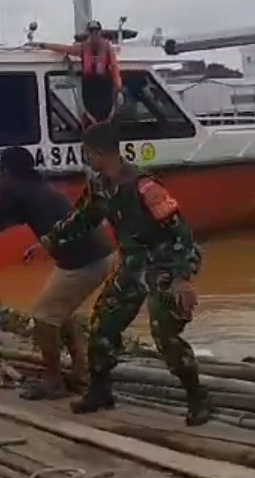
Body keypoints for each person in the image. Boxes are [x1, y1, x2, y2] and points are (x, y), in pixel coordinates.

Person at [39, 122, 212, 426]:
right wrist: (50, 240)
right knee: (103, 325)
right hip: (133, 263)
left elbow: (182, 233)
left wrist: (183, 279)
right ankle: (100, 390)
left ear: (100, 152)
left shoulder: (145, 187)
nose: (86, 159)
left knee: (165, 335)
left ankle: (197, 397)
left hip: (166, 265)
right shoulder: (100, 186)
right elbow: (83, 218)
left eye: (88, 154)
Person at [0, 146, 115, 400]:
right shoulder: (35, 185)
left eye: (1, 169)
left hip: (84, 261)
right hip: (94, 253)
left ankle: (54, 383)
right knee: (59, 312)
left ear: (7, 170)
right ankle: (79, 372)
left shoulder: (13, 189)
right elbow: (11, 220)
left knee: (44, 318)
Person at [32, 19, 123, 126]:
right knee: (92, 116)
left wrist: (119, 88)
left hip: (104, 90)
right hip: (90, 90)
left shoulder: (108, 49)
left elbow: (114, 67)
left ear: (100, 32)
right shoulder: (83, 48)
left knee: (105, 117)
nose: (94, 34)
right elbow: (65, 49)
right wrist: (44, 45)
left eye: (96, 31)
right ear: (88, 33)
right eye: (91, 32)